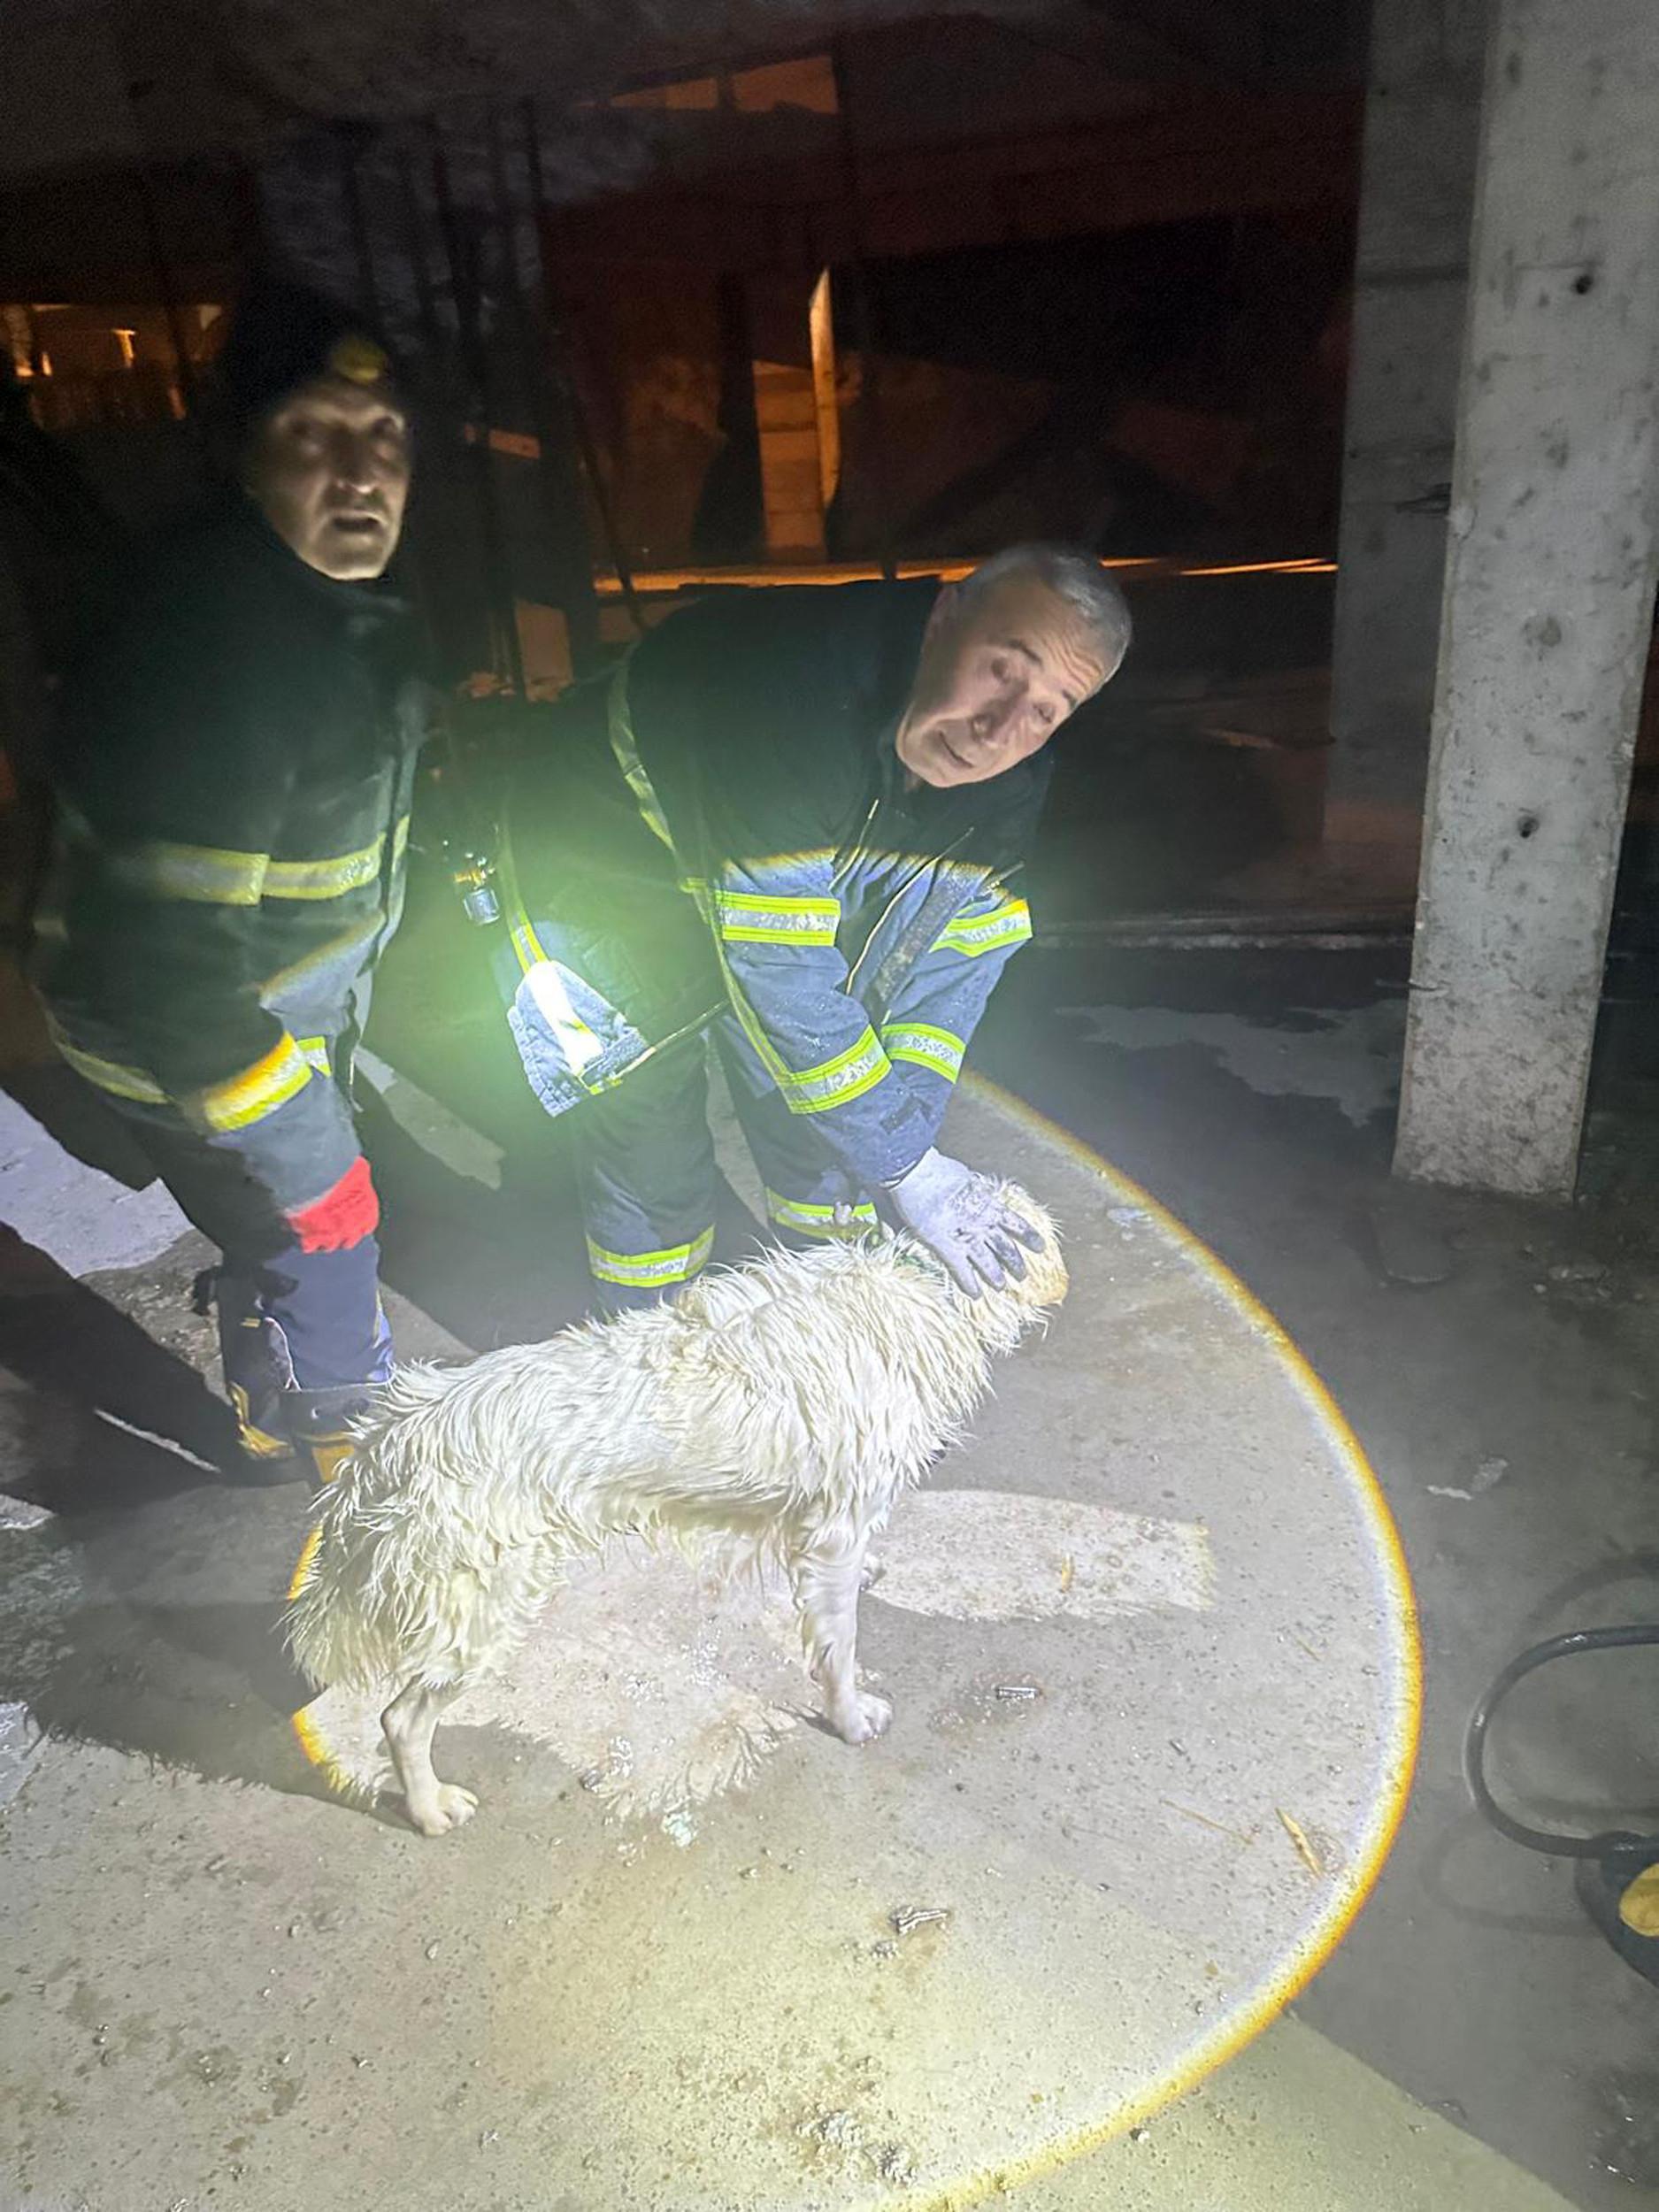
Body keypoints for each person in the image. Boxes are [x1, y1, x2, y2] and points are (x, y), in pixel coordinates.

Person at [495, 544, 1130, 1308]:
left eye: (1046, 710)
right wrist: (910, 1169)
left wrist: (901, 1149)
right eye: (1001, 669)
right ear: (941, 620)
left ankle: (829, 1325)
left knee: (824, 1120)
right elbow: (779, 970)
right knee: (650, 1150)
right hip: (599, 878)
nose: (999, 730)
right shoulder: (792, 690)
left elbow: (959, 952)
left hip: (751, 863)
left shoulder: (1008, 783)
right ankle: (654, 1345)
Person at [29, 279, 425, 1486]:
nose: (359, 474)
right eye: (312, 433)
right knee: (325, 1240)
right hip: (201, 1041)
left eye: (384, 437)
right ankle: (349, 1463)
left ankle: (271, 1368)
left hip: (273, 1012)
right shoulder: (221, 648)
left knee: (284, 1225)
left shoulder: (323, 610)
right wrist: (314, 1164)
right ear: (238, 456)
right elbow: (169, 970)